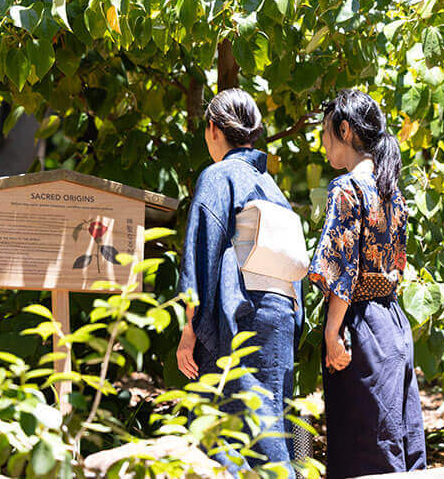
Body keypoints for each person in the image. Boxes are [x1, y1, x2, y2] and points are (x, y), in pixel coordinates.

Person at [176, 88, 303, 470]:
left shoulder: (217, 176)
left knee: (228, 426)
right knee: (269, 425)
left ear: (213, 129)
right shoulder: (272, 187)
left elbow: (202, 254)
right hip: (280, 315)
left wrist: (188, 334)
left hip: (238, 315)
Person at [308, 89, 427, 477]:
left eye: (326, 133)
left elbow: (341, 268)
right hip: (393, 325)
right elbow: (397, 263)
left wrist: (331, 332)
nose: (323, 143)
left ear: (344, 129)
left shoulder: (347, 189)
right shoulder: (394, 192)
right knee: (397, 442)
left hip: (359, 329)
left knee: (364, 452)